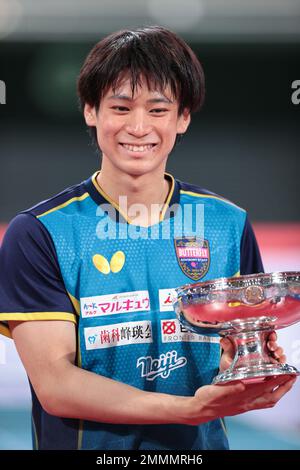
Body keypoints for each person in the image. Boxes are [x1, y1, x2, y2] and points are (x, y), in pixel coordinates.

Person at [0, 26, 294, 451]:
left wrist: (250, 367)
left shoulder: (226, 224)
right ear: (90, 111)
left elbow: (229, 353)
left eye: (158, 110)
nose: (138, 128)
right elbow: (56, 386)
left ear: (183, 118)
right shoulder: (40, 233)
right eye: (120, 107)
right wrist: (187, 410)